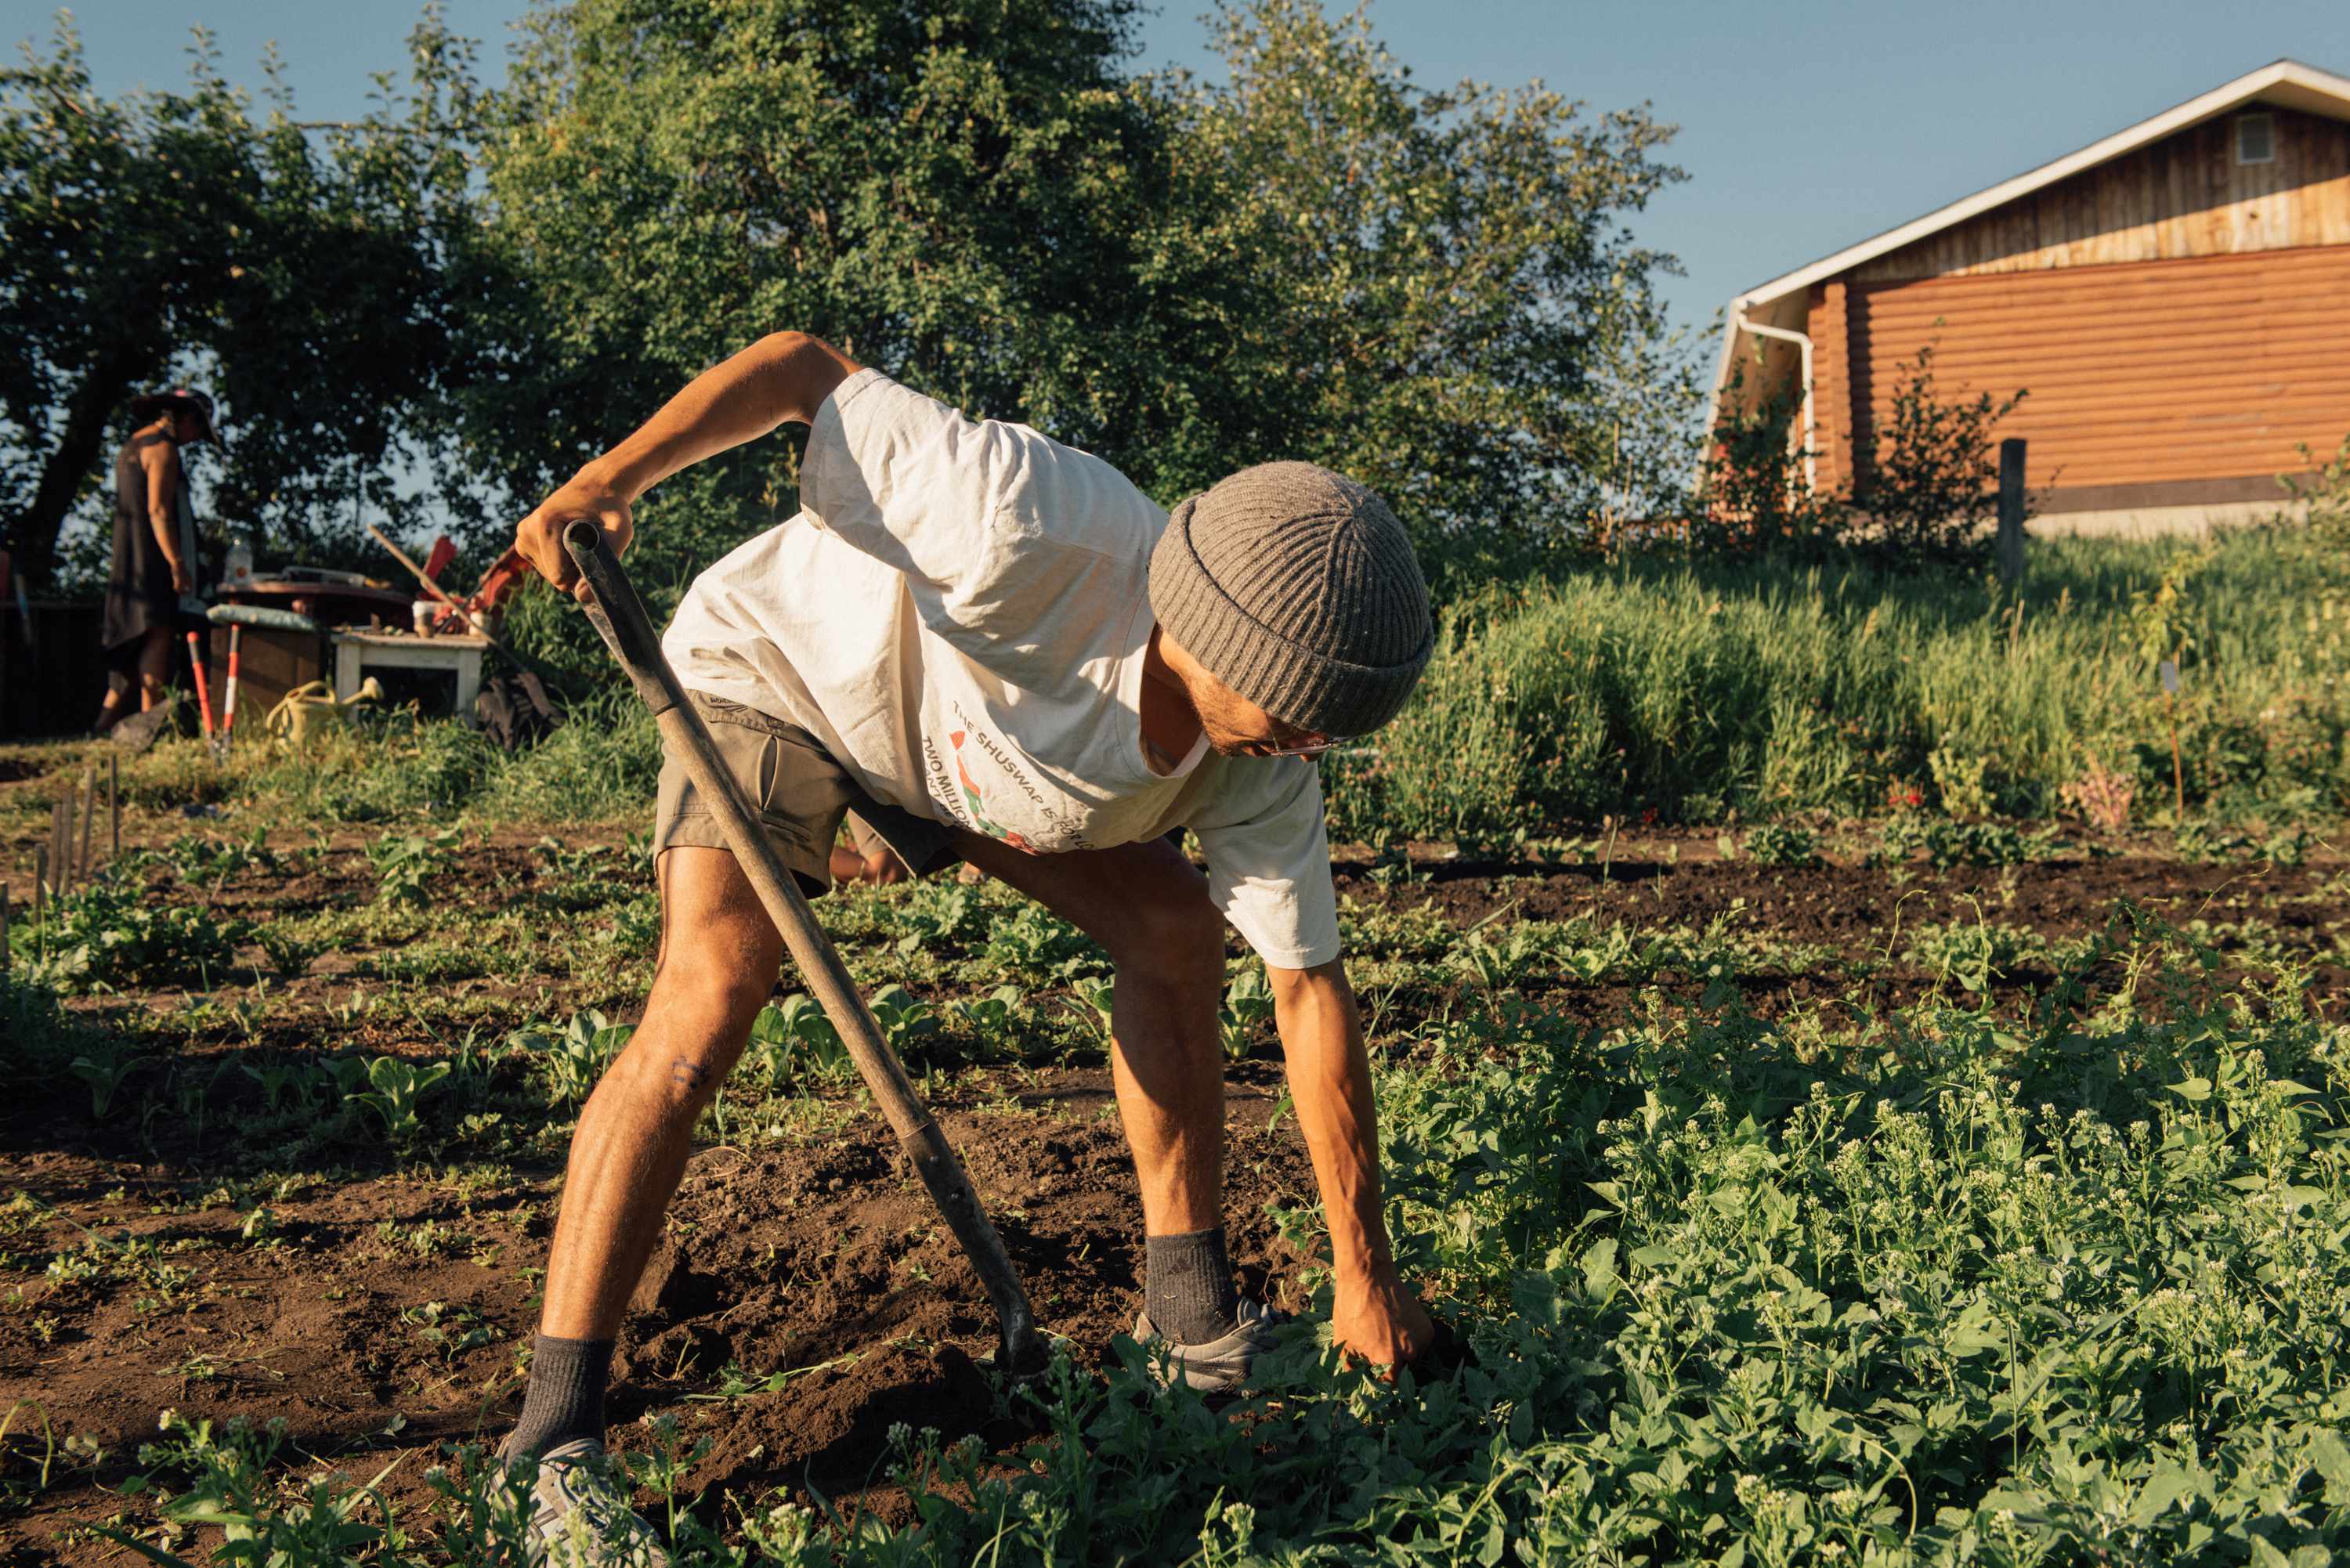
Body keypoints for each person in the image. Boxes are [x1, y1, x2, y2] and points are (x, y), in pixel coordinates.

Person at [499, 332, 1441, 1563]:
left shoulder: (1268, 759)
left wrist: (1363, 1275)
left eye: (1328, 732)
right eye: (1293, 718)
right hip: (783, 678)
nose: (1308, 749)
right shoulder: (1021, 521)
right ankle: (552, 1438)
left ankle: (1189, 1323)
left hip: (955, 762)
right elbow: (804, 370)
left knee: (1172, 931)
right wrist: (610, 478)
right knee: (712, 996)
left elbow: (1309, 991)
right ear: (1209, 632)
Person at [96, 387, 219, 734]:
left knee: (135, 642)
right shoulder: (164, 450)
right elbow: (159, 509)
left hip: (127, 554)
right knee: (158, 632)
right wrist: (178, 563)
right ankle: (150, 723)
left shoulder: (133, 445)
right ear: (185, 418)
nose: (195, 439)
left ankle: (102, 726)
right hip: (152, 556)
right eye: (198, 429)